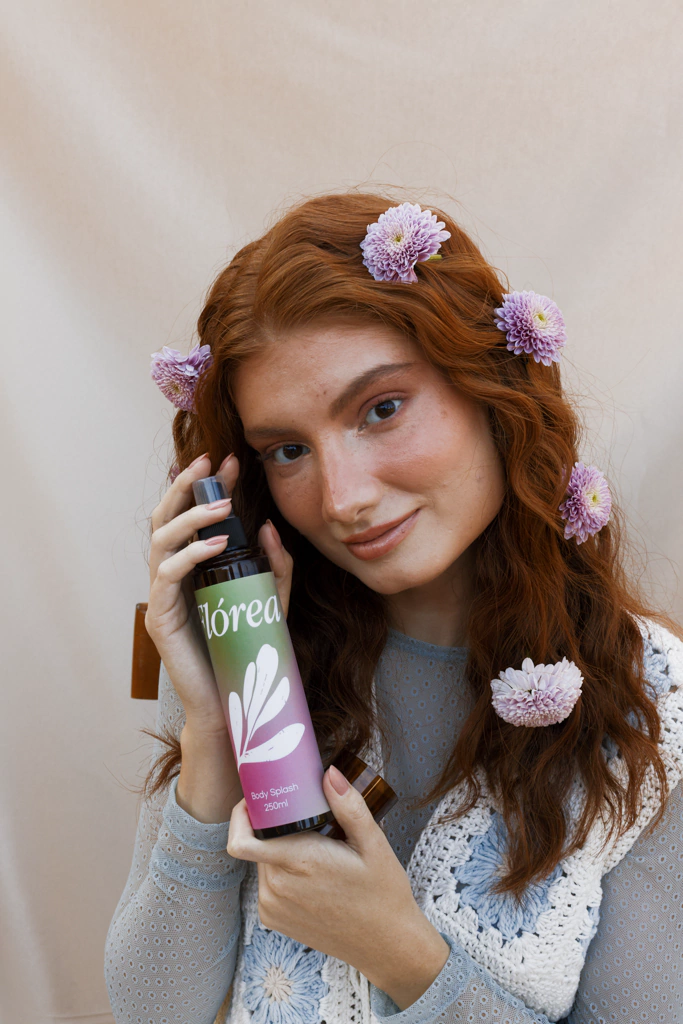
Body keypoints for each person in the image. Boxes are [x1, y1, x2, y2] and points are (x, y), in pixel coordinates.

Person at [105, 193, 683, 1024]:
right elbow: (152, 1011)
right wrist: (213, 732)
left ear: (490, 390)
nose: (342, 498)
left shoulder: (649, 703)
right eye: (288, 450)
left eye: (381, 408)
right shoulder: (248, 648)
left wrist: (401, 955)